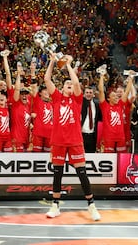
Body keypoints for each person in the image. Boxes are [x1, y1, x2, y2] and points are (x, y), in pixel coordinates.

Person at [44, 52, 101, 221]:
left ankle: (91, 206)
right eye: (66, 84)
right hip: (59, 141)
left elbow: (76, 81)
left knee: (82, 173)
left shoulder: (77, 100)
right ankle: (55, 206)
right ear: (62, 88)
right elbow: (47, 80)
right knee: (57, 174)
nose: (70, 84)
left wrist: (67, 64)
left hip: (75, 140)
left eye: (71, 84)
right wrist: (53, 62)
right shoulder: (56, 98)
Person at [98, 73, 133, 153]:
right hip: (108, 137)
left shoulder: (120, 105)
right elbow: (101, 91)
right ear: (108, 98)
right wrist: (101, 76)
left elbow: (127, 92)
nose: (116, 97)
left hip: (120, 137)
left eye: (117, 96)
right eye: (114, 96)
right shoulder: (104, 106)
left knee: (121, 158)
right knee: (108, 157)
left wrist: (131, 78)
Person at [81, 86, 101, 153]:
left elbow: (99, 119)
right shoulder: (80, 104)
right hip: (81, 135)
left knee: (91, 154)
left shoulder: (97, 104)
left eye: (90, 92)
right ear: (84, 94)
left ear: (93, 94)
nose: (88, 94)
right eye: (86, 92)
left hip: (92, 136)